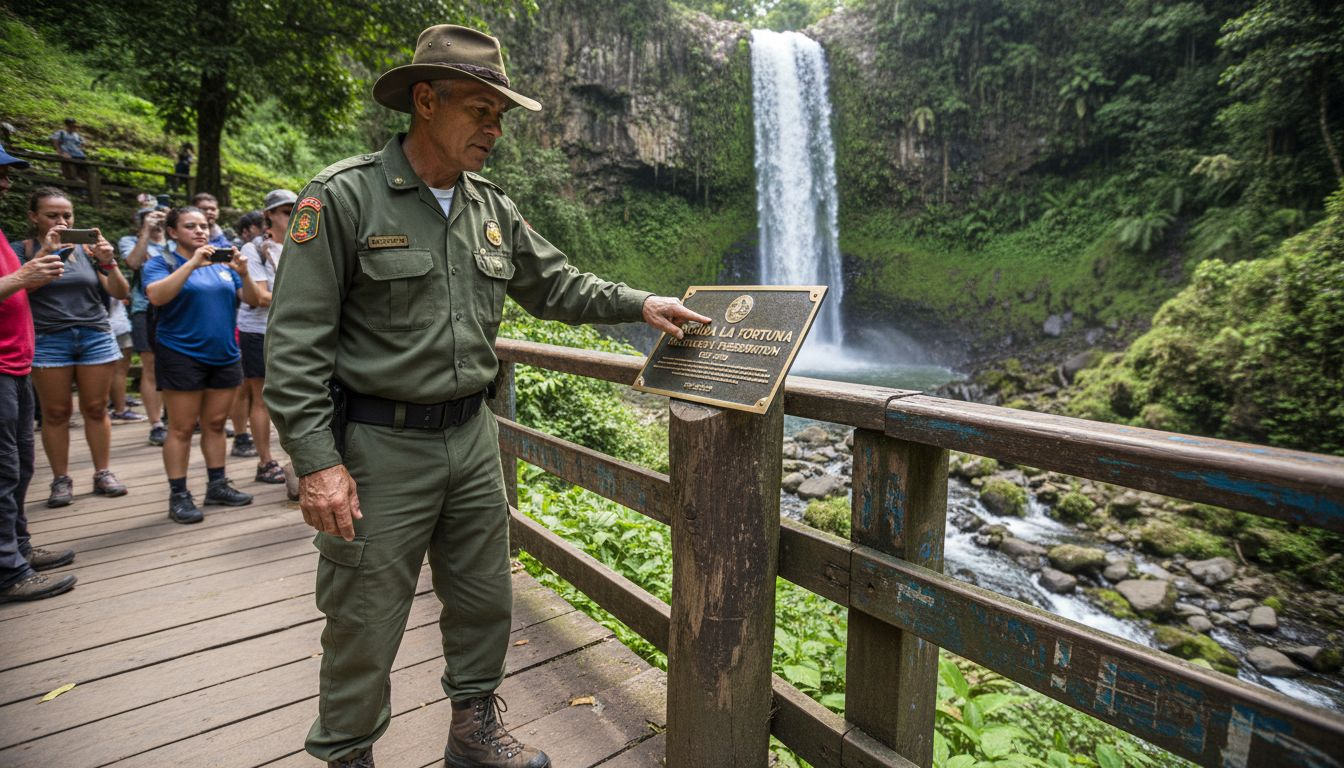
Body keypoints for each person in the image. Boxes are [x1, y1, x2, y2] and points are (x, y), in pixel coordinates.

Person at [264, 25, 710, 768]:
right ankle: (348, 754)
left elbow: (557, 283)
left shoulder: (490, 207)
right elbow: (294, 344)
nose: (495, 129)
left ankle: (473, 732)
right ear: (426, 101)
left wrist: (642, 303)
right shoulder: (343, 199)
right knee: (363, 615)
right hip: (378, 443)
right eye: (481, 110)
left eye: (500, 115)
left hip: (471, 435)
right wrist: (317, 463)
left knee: (482, 600)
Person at [15, 188, 131, 507]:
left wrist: (109, 263)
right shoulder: (22, 249)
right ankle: (60, 479)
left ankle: (103, 472)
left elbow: (121, 291)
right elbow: (19, 288)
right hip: (49, 337)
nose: (61, 221)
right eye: (52, 215)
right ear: (33, 217)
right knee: (56, 413)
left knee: (96, 408)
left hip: (94, 333)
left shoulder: (89, 250)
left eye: (67, 215)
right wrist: (46, 253)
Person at [144, 207, 261, 523]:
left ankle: (217, 484)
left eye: (204, 226)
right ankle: (179, 494)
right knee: (181, 428)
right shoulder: (162, 263)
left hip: (224, 354)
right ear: (172, 232)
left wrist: (244, 272)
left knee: (215, 424)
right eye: (190, 226)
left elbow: (252, 298)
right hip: (181, 354)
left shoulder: (222, 266)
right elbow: (156, 296)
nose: (200, 231)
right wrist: (193, 263)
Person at [0, 145, 78, 603]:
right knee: (4, 470)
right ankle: (8, 570)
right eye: (1, 175)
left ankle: (19, 550)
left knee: (21, 466)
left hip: (16, 365)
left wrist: (40, 263)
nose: (7, 184)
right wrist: (22, 278)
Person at [235, 190, 294, 483]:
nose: (291, 215)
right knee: (261, 399)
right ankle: (265, 461)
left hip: (293, 329)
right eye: (285, 211)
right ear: (269, 214)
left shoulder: (301, 244)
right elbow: (258, 296)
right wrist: (303, 297)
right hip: (259, 331)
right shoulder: (254, 249)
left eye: (295, 209)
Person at [119, 204, 169, 445]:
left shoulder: (175, 239)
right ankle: (156, 423)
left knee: (174, 364)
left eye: (161, 216)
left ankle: (174, 416)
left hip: (175, 307)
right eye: (151, 216)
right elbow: (133, 263)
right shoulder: (130, 240)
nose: (158, 220)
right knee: (150, 366)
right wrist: (146, 233)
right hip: (145, 308)